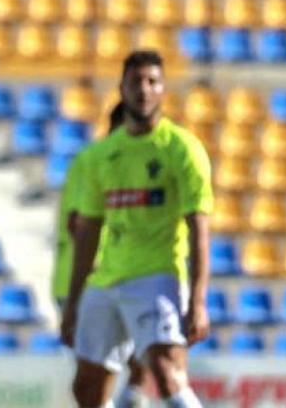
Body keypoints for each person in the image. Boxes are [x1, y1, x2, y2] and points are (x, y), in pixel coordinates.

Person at [60, 50, 213, 408]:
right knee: (86, 388)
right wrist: (73, 302)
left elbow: (199, 227)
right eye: (136, 82)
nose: (143, 90)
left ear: (163, 89)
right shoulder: (102, 155)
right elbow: (87, 234)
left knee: (165, 369)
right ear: (121, 88)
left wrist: (199, 301)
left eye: (152, 82)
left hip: (156, 276)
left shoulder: (182, 149)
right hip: (106, 278)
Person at [53, 102, 150, 408]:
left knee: (136, 363)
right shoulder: (95, 163)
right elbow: (79, 223)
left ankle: (131, 397)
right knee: (95, 380)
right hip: (89, 282)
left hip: (116, 278)